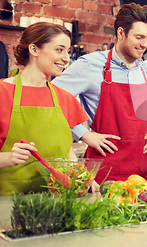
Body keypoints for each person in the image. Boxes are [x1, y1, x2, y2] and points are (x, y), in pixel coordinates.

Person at [52, 3, 147, 184]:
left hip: (139, 173)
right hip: (101, 170)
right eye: (139, 37)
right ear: (121, 33)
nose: (145, 44)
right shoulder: (89, 65)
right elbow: (52, 97)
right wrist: (84, 134)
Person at [0, 22, 89, 195]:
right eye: (59, 49)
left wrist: (80, 179)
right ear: (34, 50)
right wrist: (8, 158)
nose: (66, 58)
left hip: (57, 202)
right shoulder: (2, 93)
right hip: (8, 204)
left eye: (68, 51)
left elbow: (68, 152)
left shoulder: (65, 98)